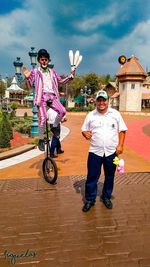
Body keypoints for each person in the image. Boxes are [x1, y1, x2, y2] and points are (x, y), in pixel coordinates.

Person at [81, 90, 127, 212]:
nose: (101, 102)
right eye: (99, 100)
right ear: (96, 101)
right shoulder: (90, 115)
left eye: (104, 100)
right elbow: (84, 130)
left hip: (111, 152)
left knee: (109, 176)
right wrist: (85, 134)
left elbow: (122, 130)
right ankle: (90, 199)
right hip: (95, 152)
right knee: (92, 177)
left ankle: (106, 197)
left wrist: (121, 145)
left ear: (108, 101)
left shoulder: (115, 114)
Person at [23, 48, 74, 151]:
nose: (44, 61)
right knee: (42, 117)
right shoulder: (35, 71)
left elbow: (62, 81)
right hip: (41, 97)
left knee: (62, 111)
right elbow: (30, 85)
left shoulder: (52, 72)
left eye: (46, 59)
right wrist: (27, 77)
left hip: (52, 96)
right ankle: (41, 140)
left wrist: (71, 76)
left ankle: (54, 126)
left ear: (48, 60)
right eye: (42, 59)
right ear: (39, 61)